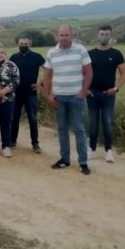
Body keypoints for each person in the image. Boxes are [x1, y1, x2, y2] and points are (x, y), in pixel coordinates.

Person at [42, 25, 93, 175]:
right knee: (62, 129)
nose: (64, 38)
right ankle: (65, 159)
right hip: (59, 97)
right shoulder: (52, 53)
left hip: (76, 97)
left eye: (66, 35)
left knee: (79, 129)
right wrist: (48, 95)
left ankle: (83, 162)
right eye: (61, 35)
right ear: (57, 36)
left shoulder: (80, 50)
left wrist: (83, 93)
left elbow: (89, 72)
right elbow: (47, 76)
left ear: (71, 35)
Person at [87, 25, 125, 163]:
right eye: (102, 34)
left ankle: (109, 151)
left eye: (106, 34)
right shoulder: (89, 54)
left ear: (110, 35)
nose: (104, 36)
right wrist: (85, 89)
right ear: (97, 35)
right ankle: (91, 149)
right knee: (93, 123)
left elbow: (124, 74)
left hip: (108, 95)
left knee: (108, 122)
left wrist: (116, 88)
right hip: (91, 94)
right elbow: (83, 73)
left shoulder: (116, 54)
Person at [9, 35, 46, 153]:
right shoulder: (13, 57)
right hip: (16, 93)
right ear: (18, 44)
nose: (23, 46)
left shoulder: (37, 57)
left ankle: (35, 143)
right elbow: (7, 72)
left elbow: (48, 69)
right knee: (14, 118)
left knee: (33, 119)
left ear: (30, 44)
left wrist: (42, 84)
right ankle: (12, 141)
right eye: (21, 44)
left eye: (26, 44)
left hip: (31, 93)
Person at [0, 43, 20, 158]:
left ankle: (6, 147)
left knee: (6, 123)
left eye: (2, 53)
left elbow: (16, 80)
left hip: (8, 99)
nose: (0, 55)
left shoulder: (11, 65)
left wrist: (3, 92)